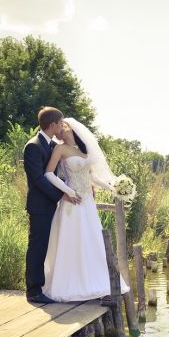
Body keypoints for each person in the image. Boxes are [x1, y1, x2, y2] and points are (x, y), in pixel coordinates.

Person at [41, 117, 130, 302]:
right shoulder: (60, 149)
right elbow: (48, 174)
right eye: (60, 128)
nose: (62, 131)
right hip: (72, 202)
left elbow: (92, 177)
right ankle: (70, 284)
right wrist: (68, 191)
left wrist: (112, 188)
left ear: (73, 130)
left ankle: (92, 280)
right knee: (72, 241)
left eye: (65, 128)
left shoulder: (83, 151)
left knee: (91, 240)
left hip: (87, 202)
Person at [23, 107, 80, 304]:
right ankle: (33, 291)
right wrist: (61, 195)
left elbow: (57, 174)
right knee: (37, 247)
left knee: (45, 247)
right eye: (60, 122)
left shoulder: (51, 145)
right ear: (53, 124)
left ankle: (41, 286)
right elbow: (38, 179)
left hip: (49, 205)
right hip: (39, 206)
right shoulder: (33, 146)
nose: (62, 126)